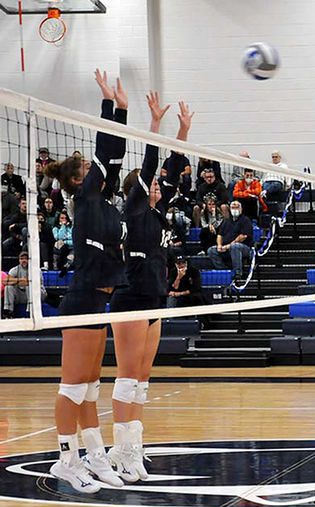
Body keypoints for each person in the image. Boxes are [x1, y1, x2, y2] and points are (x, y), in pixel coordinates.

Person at [44, 69, 129, 492]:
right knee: (74, 385)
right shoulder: (85, 196)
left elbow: (114, 153)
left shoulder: (102, 197)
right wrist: (106, 106)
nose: (99, 170)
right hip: (81, 300)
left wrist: (124, 109)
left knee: (92, 387)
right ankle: (66, 459)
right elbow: (104, 149)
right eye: (89, 168)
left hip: (100, 300)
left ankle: (94, 454)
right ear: (80, 179)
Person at [108, 94, 191, 483]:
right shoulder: (135, 208)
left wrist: (183, 130)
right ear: (138, 190)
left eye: (159, 185)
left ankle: (133, 451)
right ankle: (120, 452)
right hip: (131, 300)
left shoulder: (157, 213)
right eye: (152, 184)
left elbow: (172, 169)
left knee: (142, 382)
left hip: (155, 299)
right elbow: (151, 164)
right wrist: (155, 126)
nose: (158, 185)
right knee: (127, 378)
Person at [208, 200, 253, 279]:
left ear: (241, 209)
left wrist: (228, 246)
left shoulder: (245, 220)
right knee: (211, 250)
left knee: (235, 246)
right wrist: (219, 245)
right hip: (226, 247)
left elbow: (243, 236)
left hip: (244, 248)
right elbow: (219, 235)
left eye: (237, 207)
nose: (235, 209)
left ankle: (238, 273)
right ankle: (223, 270)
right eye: (233, 207)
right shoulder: (227, 221)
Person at [2, 250, 47, 318]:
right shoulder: (15, 269)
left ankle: (31, 312)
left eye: (26, 258)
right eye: (21, 259)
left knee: (29, 287)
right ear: (19, 260)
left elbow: (30, 282)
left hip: (37, 294)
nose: (24, 260)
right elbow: (5, 281)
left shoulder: (36, 269)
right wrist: (20, 280)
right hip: (21, 295)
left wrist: (15, 281)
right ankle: (8, 312)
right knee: (8, 287)